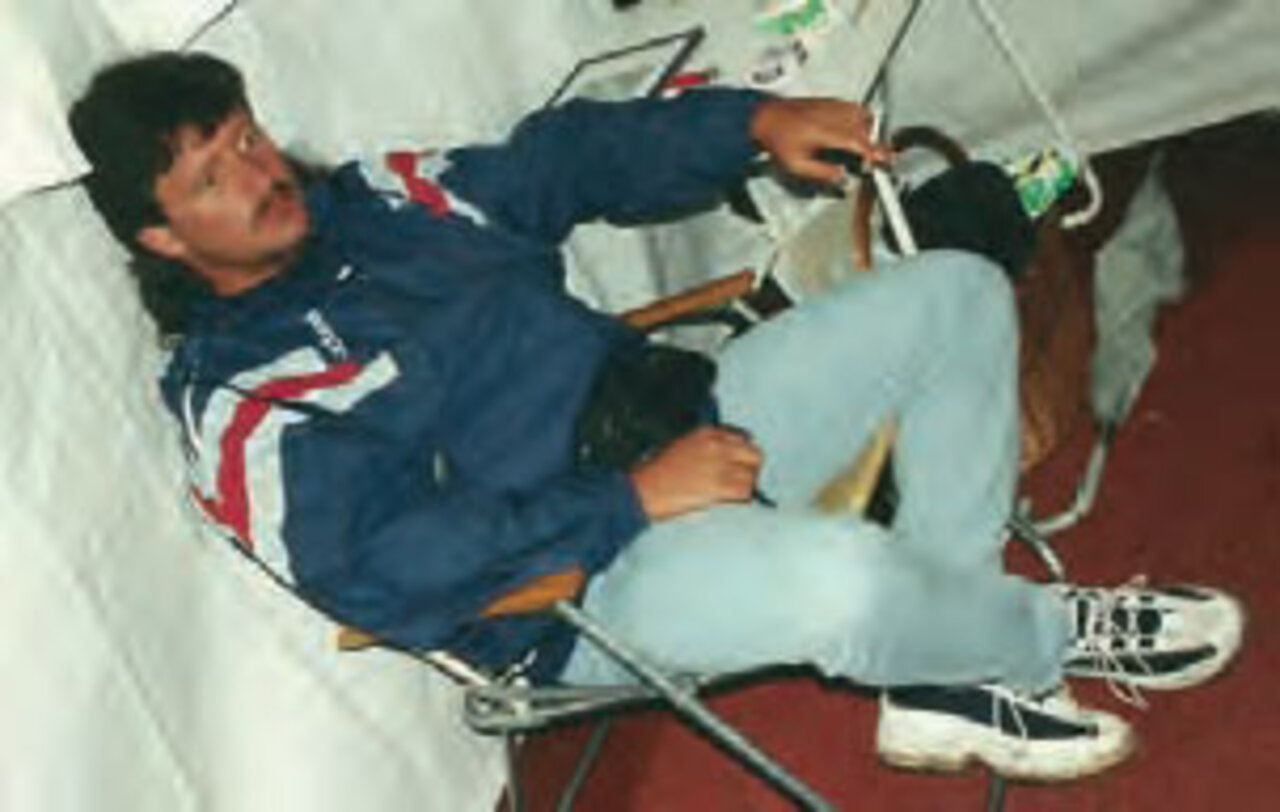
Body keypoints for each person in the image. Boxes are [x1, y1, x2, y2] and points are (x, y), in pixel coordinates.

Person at [69, 50, 1243, 782]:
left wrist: (749, 125)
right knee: (844, 580)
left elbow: (563, 160)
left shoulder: (379, 202)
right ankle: (1031, 635)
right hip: (587, 581)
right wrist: (627, 500)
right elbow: (385, 566)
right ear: (161, 237)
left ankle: (942, 674)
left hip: (689, 419)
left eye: (246, 136)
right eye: (213, 176)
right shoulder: (243, 403)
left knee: (953, 291)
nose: (261, 173)